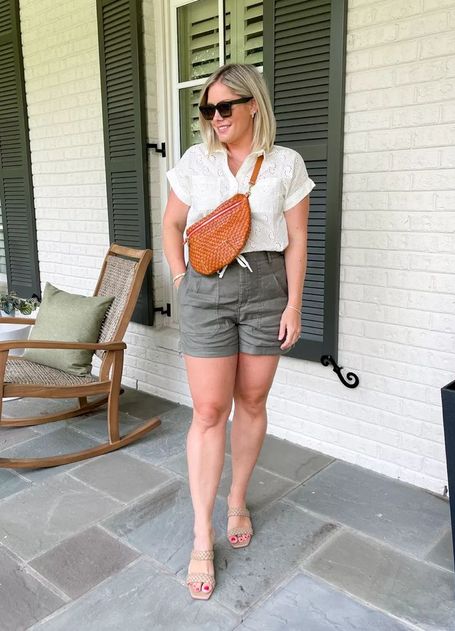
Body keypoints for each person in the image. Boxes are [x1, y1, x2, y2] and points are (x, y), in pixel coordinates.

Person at [163, 63, 314, 600]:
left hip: (266, 289)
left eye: (225, 106)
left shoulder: (285, 164)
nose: (215, 117)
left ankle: (237, 499)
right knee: (208, 411)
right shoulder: (195, 161)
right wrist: (181, 279)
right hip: (205, 289)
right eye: (208, 109)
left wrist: (294, 303)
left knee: (251, 400)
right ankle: (202, 531)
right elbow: (173, 223)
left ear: (253, 105)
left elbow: (296, 238)